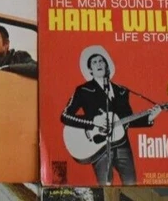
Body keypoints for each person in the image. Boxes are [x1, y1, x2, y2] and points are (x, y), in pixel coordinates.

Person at [60, 46, 161, 186]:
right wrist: (93, 122)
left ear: (106, 66)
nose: (99, 64)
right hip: (99, 148)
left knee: (131, 185)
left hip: (122, 145)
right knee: (105, 187)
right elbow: (65, 116)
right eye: (94, 62)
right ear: (90, 70)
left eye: (101, 61)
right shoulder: (83, 90)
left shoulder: (121, 91)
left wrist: (149, 118)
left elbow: (127, 119)